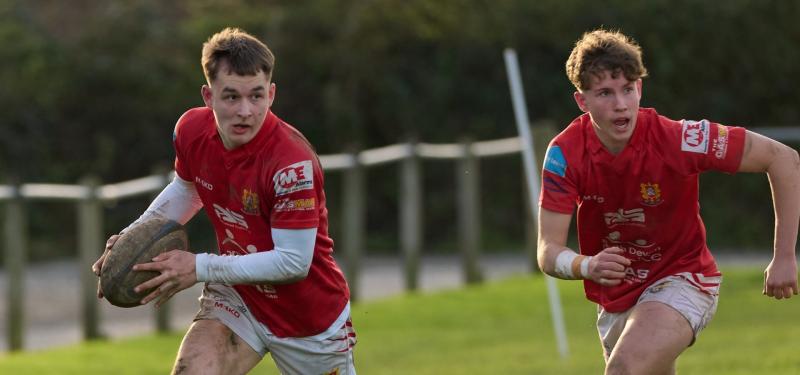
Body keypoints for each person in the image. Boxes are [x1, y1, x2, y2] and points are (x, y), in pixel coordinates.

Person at [91, 27, 356, 375]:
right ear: (208, 95)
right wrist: (135, 234)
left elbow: (293, 262)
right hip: (239, 295)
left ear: (272, 94)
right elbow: (187, 190)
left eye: (256, 96)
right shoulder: (191, 131)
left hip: (307, 318)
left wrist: (198, 267)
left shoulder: (291, 163)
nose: (245, 110)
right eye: (231, 97)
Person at [537, 28, 799, 374]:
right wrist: (587, 265)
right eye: (604, 93)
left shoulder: (680, 139)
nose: (620, 104)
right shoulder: (564, 154)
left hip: (683, 278)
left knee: (624, 370)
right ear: (582, 101)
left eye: (628, 89)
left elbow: (782, 158)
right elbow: (547, 250)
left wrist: (784, 257)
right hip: (617, 297)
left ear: (640, 89)